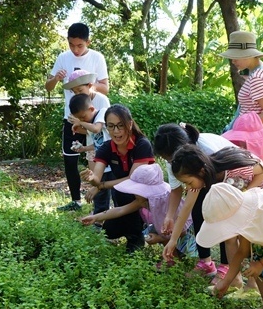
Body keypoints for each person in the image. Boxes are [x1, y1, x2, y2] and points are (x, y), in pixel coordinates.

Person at [170, 144, 263, 288]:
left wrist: (247, 194)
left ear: (201, 171)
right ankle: (236, 279)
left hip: (257, 194)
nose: (187, 187)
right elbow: (186, 208)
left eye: (188, 182)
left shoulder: (233, 169)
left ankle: (252, 284)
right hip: (235, 197)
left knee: (249, 238)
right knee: (229, 236)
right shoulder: (201, 180)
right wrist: (173, 240)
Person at [153, 122, 236, 277]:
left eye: (169, 159)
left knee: (223, 216)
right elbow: (177, 190)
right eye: (167, 159)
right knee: (197, 208)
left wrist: (173, 239)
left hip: (229, 179)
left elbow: (247, 168)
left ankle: (226, 266)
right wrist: (170, 216)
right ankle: (205, 262)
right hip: (207, 180)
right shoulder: (176, 159)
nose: (169, 163)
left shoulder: (206, 152)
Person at [44, 22, 109, 212]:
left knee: (98, 157)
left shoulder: (97, 57)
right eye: (71, 45)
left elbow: (105, 88)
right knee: (70, 159)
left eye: (80, 45)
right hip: (72, 118)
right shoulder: (63, 58)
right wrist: (56, 78)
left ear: (88, 41)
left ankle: (101, 200)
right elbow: (48, 86)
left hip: (93, 117)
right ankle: (76, 201)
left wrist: (84, 86)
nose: (75, 49)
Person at [80, 163, 197, 264]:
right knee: (152, 231)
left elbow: (180, 230)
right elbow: (121, 210)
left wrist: (160, 238)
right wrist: (95, 217)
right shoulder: (144, 200)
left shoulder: (163, 202)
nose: (134, 194)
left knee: (160, 233)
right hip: (169, 231)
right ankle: (172, 256)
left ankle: (175, 260)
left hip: (185, 233)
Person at [80, 104, 156, 252]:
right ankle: (133, 232)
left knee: (125, 193)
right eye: (111, 126)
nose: (116, 131)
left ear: (130, 124)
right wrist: (92, 179)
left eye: (120, 126)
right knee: (109, 230)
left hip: (144, 196)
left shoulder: (142, 144)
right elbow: (97, 177)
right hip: (122, 194)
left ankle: (137, 238)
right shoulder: (106, 147)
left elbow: (132, 180)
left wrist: (100, 186)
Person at [219, 30, 263, 143]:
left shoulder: (257, 78)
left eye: (236, 56)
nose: (233, 61)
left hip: (256, 140)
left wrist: (241, 128)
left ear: (249, 55)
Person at [66, 74, 112, 215]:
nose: (77, 94)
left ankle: (103, 214)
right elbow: (95, 138)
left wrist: (80, 123)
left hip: (110, 153)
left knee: (104, 183)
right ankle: (99, 213)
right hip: (98, 149)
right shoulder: (84, 113)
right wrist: (84, 148)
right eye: (75, 92)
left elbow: (98, 128)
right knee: (96, 180)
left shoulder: (101, 106)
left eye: (80, 90)